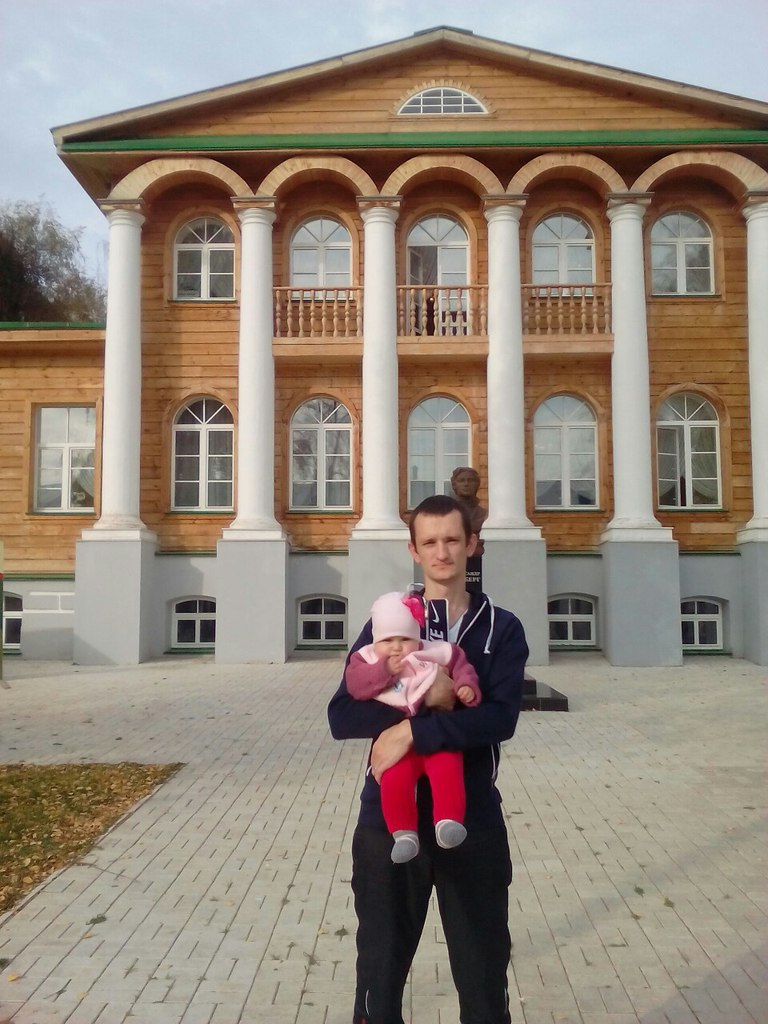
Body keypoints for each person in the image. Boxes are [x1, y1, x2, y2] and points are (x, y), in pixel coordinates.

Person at [328, 494, 529, 1024]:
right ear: (414, 551)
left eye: (453, 540)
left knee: (484, 985)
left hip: (471, 820)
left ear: (473, 544)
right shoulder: (389, 622)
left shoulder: (502, 627)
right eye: (430, 542)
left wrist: (415, 729)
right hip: (388, 824)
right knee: (378, 983)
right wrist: (417, 716)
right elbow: (343, 714)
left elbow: (499, 720)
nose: (443, 553)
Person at [345, 590, 482, 863]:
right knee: (394, 779)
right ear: (375, 640)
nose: (397, 647)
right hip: (397, 747)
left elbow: (459, 662)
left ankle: (448, 821)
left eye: (405, 639)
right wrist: (384, 670)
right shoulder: (367, 658)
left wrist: (466, 685)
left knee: (448, 766)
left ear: (417, 638)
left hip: (435, 738)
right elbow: (355, 685)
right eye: (388, 641)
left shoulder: (430, 651)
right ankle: (404, 834)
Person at [450, 466, 488, 555]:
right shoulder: (447, 513)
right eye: (461, 481)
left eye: (470, 480)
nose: (466, 484)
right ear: (454, 485)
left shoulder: (484, 514)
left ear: (477, 484)